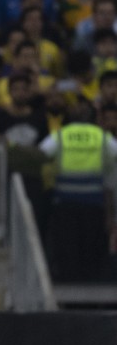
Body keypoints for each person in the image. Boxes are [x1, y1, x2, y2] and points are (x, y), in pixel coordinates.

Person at [39, 104, 117, 281]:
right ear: (95, 118)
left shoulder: (61, 135)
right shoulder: (102, 136)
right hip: (94, 206)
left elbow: (40, 153)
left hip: (65, 206)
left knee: (68, 253)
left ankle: (69, 297)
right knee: (91, 253)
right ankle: (90, 298)